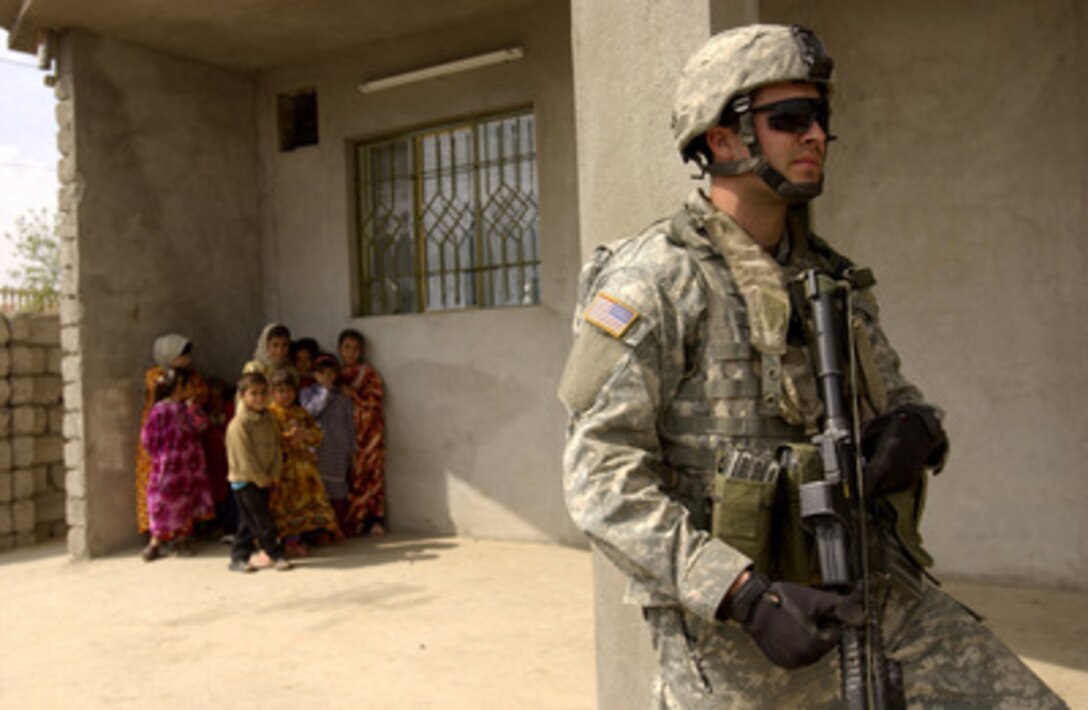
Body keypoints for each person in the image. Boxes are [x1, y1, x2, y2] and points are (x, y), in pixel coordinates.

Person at [558, 23, 1065, 709]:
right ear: (721, 138)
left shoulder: (828, 278)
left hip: (873, 591)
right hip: (744, 637)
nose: (815, 134)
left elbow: (895, 393)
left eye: (819, 115)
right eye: (788, 118)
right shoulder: (653, 282)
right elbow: (600, 478)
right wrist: (742, 594)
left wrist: (918, 428)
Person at [134, 333, 208, 537]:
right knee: (158, 487)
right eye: (181, 356)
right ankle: (157, 533)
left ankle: (182, 532)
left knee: (183, 488)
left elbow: (201, 396)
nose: (187, 360)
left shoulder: (191, 377)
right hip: (162, 441)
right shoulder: (156, 376)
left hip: (184, 444)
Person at [139, 367, 214, 561]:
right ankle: (156, 541)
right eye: (189, 385)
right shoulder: (160, 410)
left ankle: (181, 539)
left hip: (187, 466)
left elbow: (202, 425)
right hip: (168, 466)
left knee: (185, 500)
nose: (193, 389)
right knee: (161, 501)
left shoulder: (187, 409)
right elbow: (148, 438)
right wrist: (162, 456)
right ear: (179, 387)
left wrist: (193, 407)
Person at [267, 368, 339, 557]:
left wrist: (305, 435)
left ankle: (311, 535)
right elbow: (267, 440)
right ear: (272, 393)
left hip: (304, 468)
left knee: (308, 502)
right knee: (286, 505)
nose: (285, 396)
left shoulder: (301, 412)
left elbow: (317, 434)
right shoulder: (270, 415)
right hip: (283, 469)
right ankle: (290, 541)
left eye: (289, 391)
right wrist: (287, 437)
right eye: (280, 391)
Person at [225, 371, 291, 573]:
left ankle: (238, 557)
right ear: (243, 395)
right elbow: (243, 457)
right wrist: (260, 477)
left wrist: (274, 472)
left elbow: (276, 447)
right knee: (262, 521)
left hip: (265, 479)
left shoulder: (269, 420)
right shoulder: (239, 425)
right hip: (245, 481)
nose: (259, 398)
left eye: (263, 393)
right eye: (253, 393)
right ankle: (275, 552)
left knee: (248, 523)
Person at [337, 328, 387, 537]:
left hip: (370, 434)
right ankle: (356, 520)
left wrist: (353, 394)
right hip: (348, 435)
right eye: (347, 348)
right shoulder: (335, 373)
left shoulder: (367, 373)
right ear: (340, 349)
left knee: (373, 476)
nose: (351, 353)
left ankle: (376, 519)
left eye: (355, 349)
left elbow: (376, 398)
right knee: (353, 476)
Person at [301, 354, 356, 539]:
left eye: (330, 373)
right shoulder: (308, 393)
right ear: (315, 374)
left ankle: (336, 527)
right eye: (321, 373)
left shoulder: (343, 396)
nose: (326, 377)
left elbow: (350, 423)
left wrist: (352, 448)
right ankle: (320, 530)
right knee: (319, 490)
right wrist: (324, 393)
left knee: (337, 490)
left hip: (338, 450)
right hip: (318, 449)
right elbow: (310, 413)